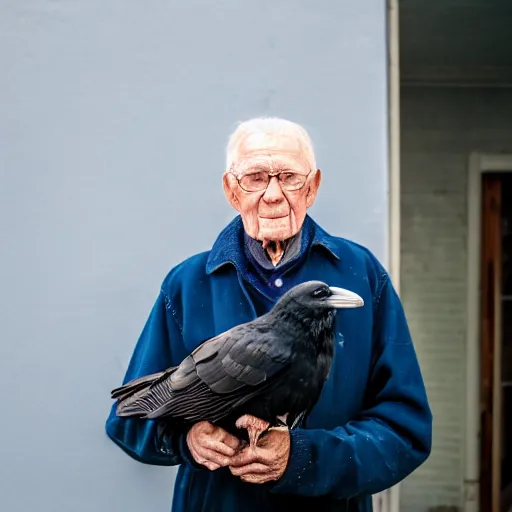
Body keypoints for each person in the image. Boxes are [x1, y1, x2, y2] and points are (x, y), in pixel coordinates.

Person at [105, 117, 432, 511]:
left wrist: (303, 457)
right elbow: (127, 422)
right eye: (256, 177)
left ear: (312, 188)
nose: (273, 194)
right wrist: (185, 439)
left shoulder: (362, 277)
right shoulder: (187, 285)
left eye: (290, 177)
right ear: (231, 190)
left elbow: (405, 431)